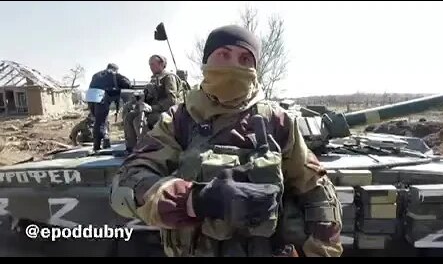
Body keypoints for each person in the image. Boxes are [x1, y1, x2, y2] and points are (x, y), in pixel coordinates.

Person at [110, 25, 343, 257]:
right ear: (206, 62)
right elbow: (127, 184)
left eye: (245, 59)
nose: (234, 65)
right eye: (224, 55)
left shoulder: (278, 121)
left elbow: (317, 191)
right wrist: (194, 200)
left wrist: (322, 250)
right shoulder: (179, 119)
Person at [123, 55, 183, 153]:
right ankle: (131, 148)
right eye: (149, 65)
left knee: (138, 120)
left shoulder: (169, 77)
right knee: (129, 116)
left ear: (162, 64)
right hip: (154, 110)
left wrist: (152, 108)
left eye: (152, 64)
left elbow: (172, 101)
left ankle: (147, 149)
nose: (150, 67)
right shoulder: (154, 79)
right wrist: (137, 100)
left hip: (168, 112)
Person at [87, 63, 131, 151]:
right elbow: (127, 83)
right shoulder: (113, 74)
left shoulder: (96, 75)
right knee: (101, 122)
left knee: (99, 121)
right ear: (115, 69)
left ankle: (100, 143)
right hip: (101, 97)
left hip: (91, 97)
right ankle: (101, 142)